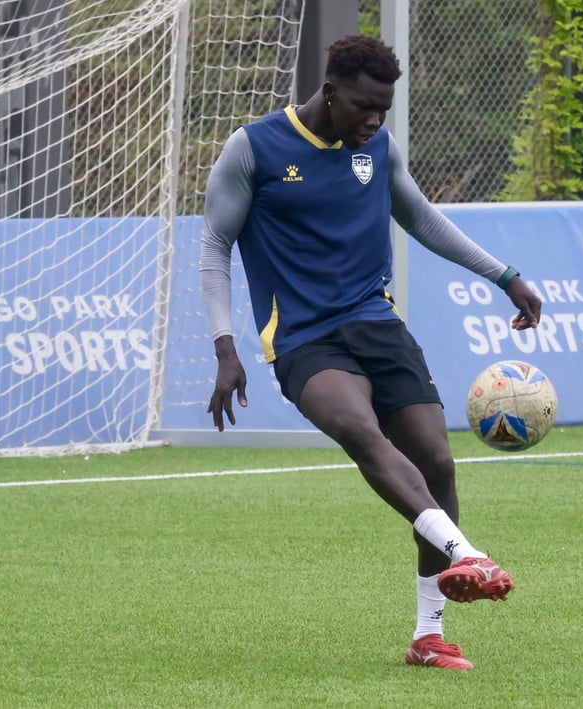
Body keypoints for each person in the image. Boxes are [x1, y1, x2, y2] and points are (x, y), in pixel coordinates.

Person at [199, 34, 543, 670]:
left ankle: (428, 637)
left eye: (383, 108)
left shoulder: (376, 147)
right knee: (360, 431)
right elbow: (216, 247)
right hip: (304, 337)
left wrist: (504, 275)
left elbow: (422, 218)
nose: (374, 120)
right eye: (363, 106)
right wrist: (226, 345)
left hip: (375, 324)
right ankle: (466, 553)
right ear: (329, 93)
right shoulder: (255, 148)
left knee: (438, 461)